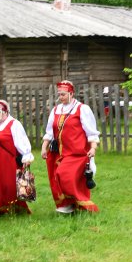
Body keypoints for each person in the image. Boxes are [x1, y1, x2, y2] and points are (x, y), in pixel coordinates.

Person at [41, 81, 100, 213]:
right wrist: (44, 147)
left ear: (71, 94)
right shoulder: (56, 110)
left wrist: (93, 148)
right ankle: (69, 204)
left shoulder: (82, 109)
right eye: (59, 94)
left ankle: (83, 204)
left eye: (63, 94)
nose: (60, 97)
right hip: (58, 152)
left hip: (76, 152)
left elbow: (91, 132)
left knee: (64, 175)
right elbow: (49, 131)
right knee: (56, 177)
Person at [0, 99, 35, 216]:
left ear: (5, 112)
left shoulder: (14, 124)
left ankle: (15, 208)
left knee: (9, 186)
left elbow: (22, 142)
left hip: (8, 162)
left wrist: (26, 157)